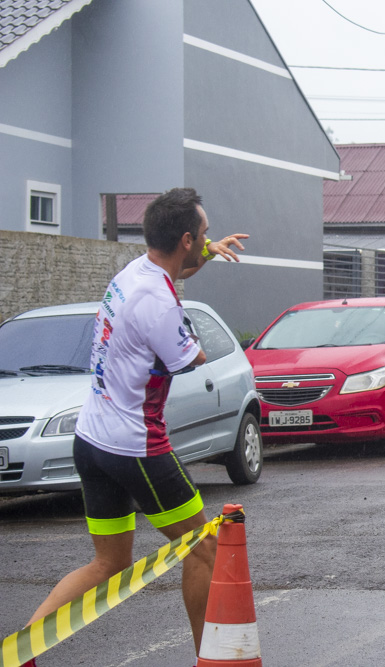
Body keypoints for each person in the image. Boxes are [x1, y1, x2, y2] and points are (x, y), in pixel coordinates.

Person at [21, 188, 248, 665]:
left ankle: (25, 648)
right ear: (184, 239)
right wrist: (192, 330)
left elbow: (179, 268)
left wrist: (206, 252)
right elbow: (193, 358)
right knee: (203, 547)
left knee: (109, 563)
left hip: (93, 439)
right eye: (203, 236)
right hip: (136, 448)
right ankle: (207, 658)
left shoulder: (134, 272)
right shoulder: (160, 304)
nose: (207, 242)